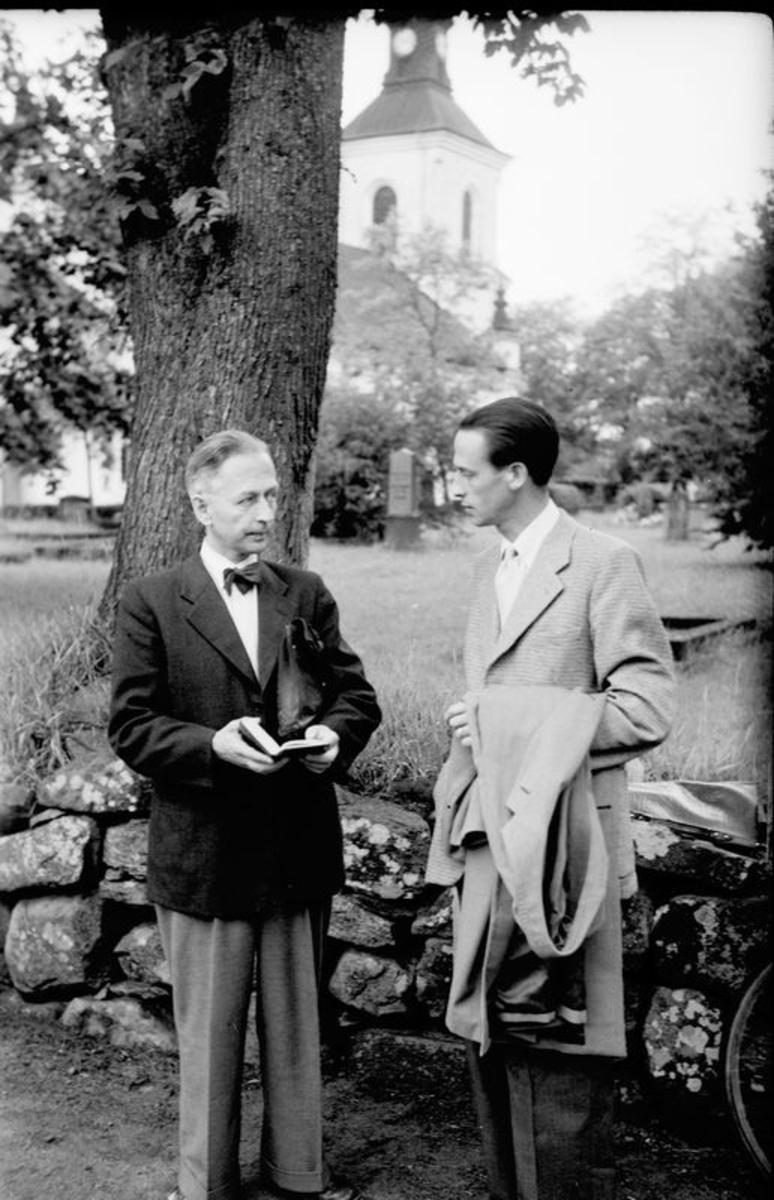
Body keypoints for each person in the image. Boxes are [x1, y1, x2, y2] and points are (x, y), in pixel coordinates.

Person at [108, 429, 381, 1200]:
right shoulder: (151, 601)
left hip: (296, 849)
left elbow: (356, 697)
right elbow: (132, 726)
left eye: (272, 496)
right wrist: (212, 746)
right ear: (201, 505)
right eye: (247, 498)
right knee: (209, 1039)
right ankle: (208, 1186)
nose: (266, 513)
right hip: (204, 855)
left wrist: (334, 738)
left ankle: (298, 1176)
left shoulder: (306, 592)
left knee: (296, 1032)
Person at [425, 398, 675, 1200]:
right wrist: (480, 729)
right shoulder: (489, 567)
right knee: (492, 1038)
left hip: (570, 854)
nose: (451, 485)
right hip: (490, 845)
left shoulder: (602, 562)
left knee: (560, 1059)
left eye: (463, 471)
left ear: (515, 473)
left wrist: (506, 723)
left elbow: (646, 708)